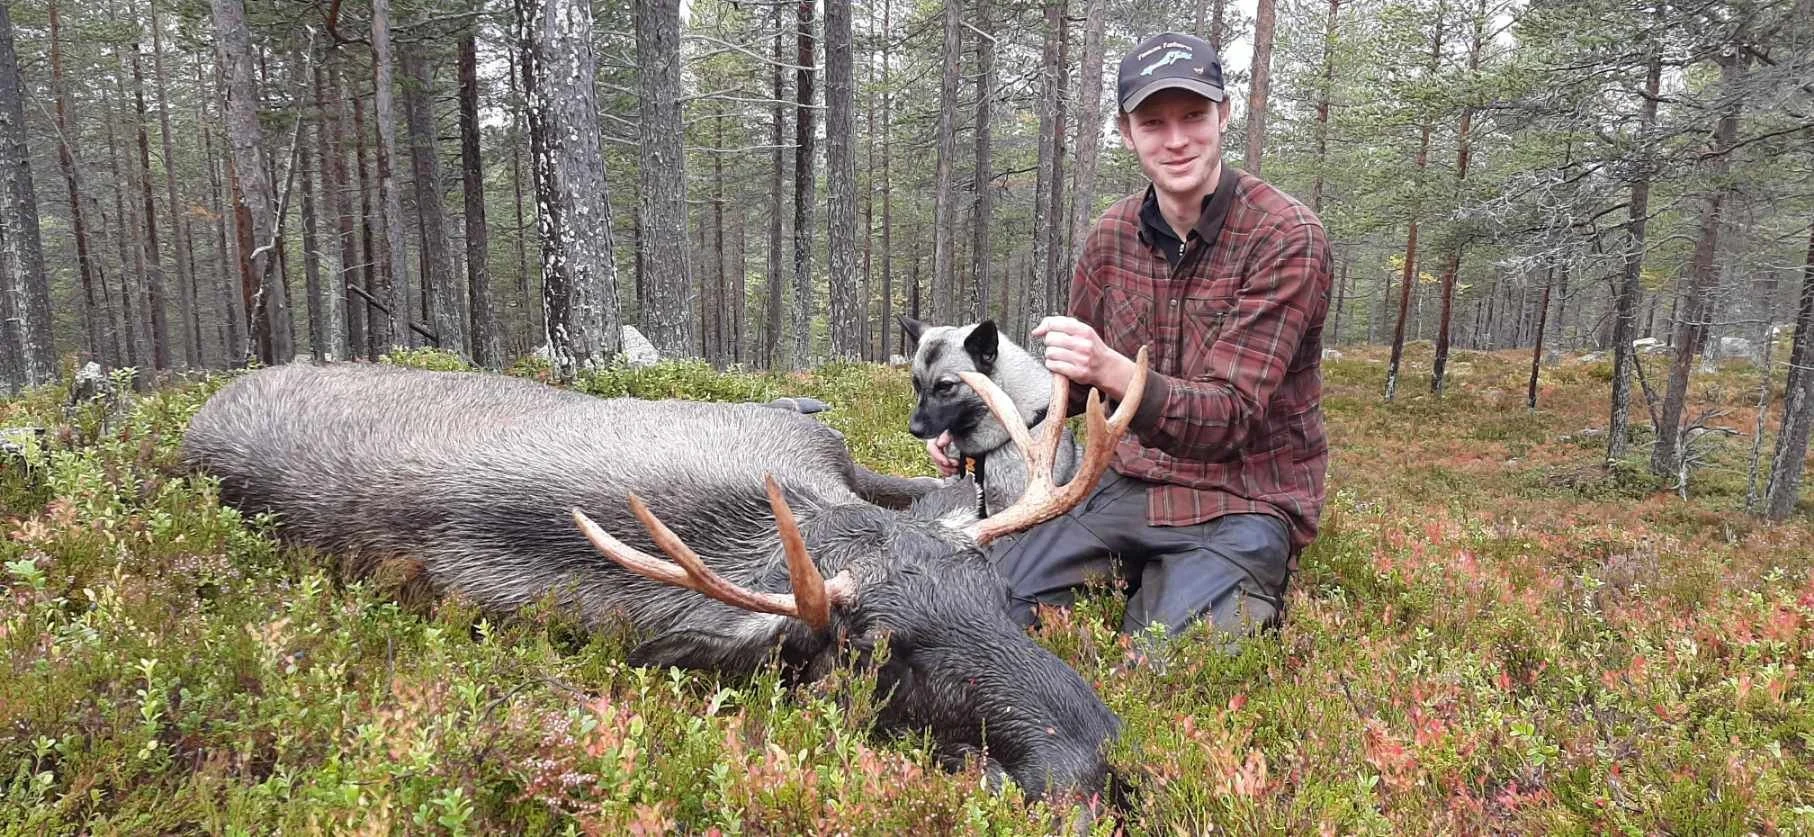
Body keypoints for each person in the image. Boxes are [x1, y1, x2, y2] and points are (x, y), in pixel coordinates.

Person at [928, 31, 1333, 655]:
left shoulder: (1285, 237)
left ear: (1224, 115)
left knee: (1167, 667)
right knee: (973, 612)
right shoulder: (1111, 236)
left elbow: (1231, 415)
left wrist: (1115, 371)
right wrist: (975, 425)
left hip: (1245, 498)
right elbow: (1075, 386)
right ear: (1126, 132)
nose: (1176, 140)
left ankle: (1184, 596)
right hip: (1126, 486)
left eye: (1193, 116)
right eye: (1153, 123)